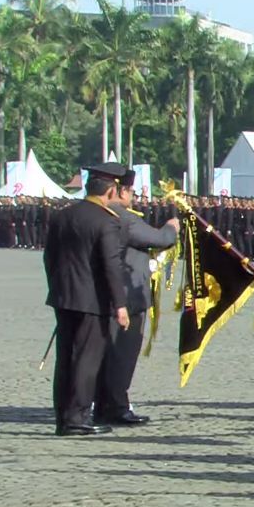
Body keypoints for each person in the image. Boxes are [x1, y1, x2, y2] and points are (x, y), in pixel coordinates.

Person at [42, 162, 131, 436]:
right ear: (111, 191)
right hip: (92, 301)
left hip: (63, 297)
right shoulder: (106, 221)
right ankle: (78, 417)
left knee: (65, 359)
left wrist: (58, 287)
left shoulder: (63, 216)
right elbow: (111, 266)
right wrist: (120, 304)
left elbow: (49, 257)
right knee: (86, 360)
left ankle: (63, 417)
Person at [94, 173, 178, 426]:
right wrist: (171, 227)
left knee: (105, 355)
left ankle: (103, 403)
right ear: (120, 191)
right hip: (126, 296)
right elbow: (160, 239)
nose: (133, 197)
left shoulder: (96, 214)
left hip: (101, 296)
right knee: (122, 354)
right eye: (131, 192)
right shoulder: (124, 217)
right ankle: (115, 406)